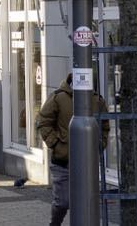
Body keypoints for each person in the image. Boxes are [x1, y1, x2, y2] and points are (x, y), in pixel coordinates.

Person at [37, 73, 110, 226]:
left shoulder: (98, 101)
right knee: (63, 202)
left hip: (86, 161)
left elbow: (104, 127)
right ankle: (54, 224)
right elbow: (44, 122)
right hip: (62, 160)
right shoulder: (58, 97)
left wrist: (98, 146)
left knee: (86, 203)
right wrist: (56, 145)